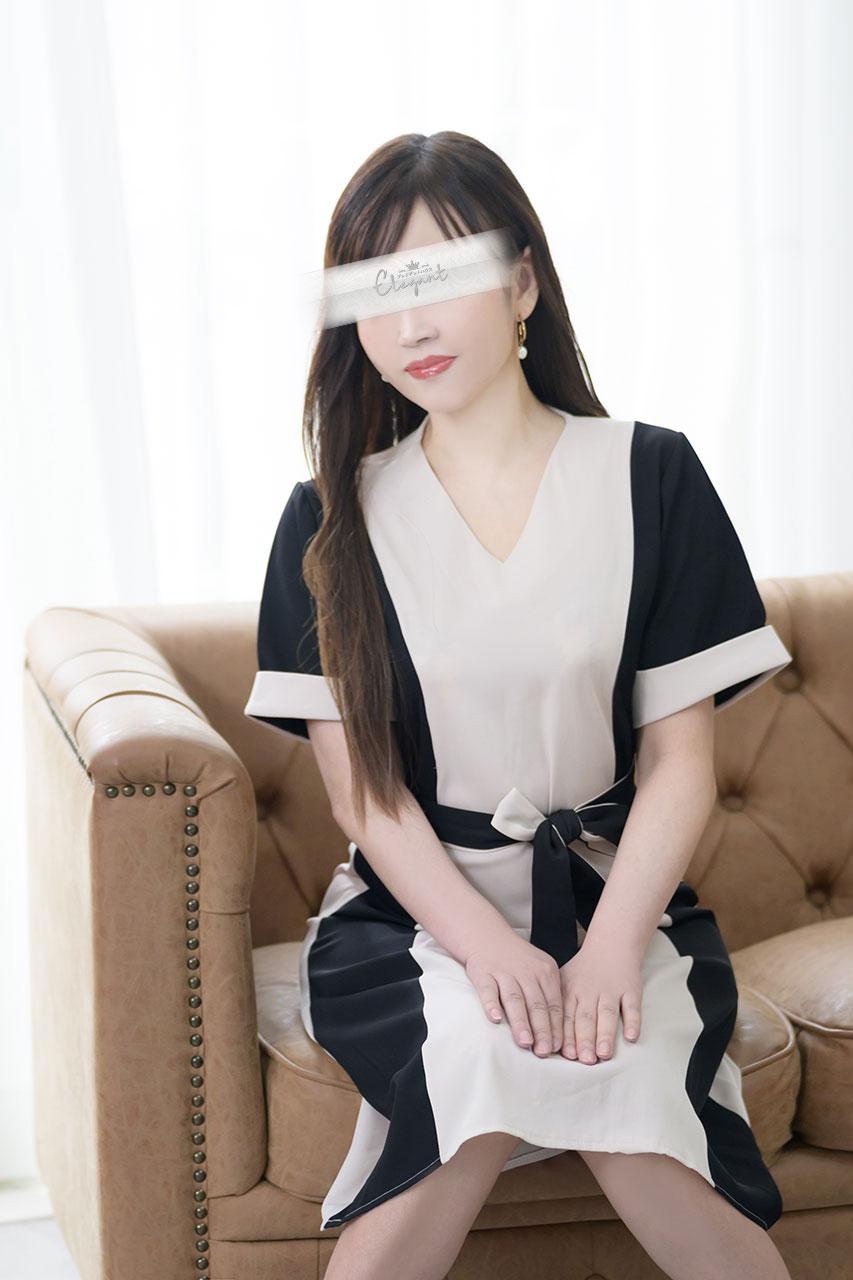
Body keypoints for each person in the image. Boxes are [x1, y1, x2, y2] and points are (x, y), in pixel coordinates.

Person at [244, 131, 794, 1280]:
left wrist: (609, 951)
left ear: (522, 282)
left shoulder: (651, 475)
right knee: (476, 1065)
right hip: (412, 917)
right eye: (380, 294)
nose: (413, 324)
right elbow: (364, 796)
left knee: (633, 1095)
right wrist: (488, 948)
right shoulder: (328, 519)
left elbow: (679, 762)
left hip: (612, 897)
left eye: (442, 277)